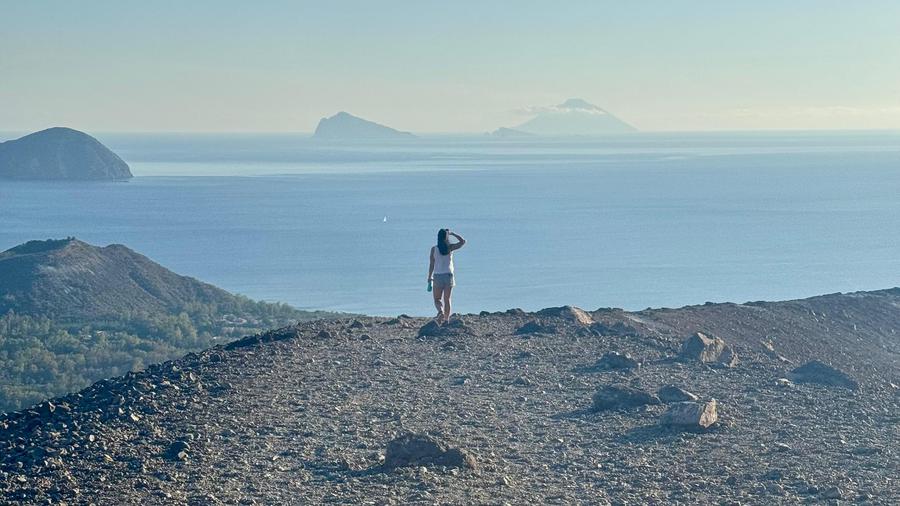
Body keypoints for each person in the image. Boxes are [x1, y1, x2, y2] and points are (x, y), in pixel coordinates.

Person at [427, 228, 466, 324]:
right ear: (446, 237)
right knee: (447, 299)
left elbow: (432, 264)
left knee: (437, 299)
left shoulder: (434, 249)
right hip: (448, 275)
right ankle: (446, 320)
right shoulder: (450, 248)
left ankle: (440, 311)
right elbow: (463, 242)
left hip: (438, 276)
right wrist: (453, 233)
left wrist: (429, 277)